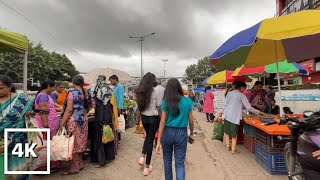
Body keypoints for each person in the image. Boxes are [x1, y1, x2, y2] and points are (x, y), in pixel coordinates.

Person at [156, 78, 194, 180]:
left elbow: (162, 122)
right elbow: (191, 121)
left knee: (167, 161)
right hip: (181, 133)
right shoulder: (187, 101)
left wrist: (159, 140)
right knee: (180, 163)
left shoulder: (165, 102)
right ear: (179, 88)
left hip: (167, 133)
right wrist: (191, 133)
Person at [0, 75, 33, 180]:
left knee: (18, 172)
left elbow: (30, 120)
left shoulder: (23, 100)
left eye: (1, 88)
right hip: (0, 145)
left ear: (10, 87)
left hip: (18, 142)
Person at [60, 75, 90, 175]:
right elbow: (89, 106)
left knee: (73, 143)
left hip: (74, 121)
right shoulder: (86, 92)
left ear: (73, 83)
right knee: (80, 142)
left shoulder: (72, 93)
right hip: (83, 119)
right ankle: (80, 164)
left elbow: (69, 110)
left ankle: (74, 168)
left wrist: (62, 123)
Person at [223, 81, 264, 154]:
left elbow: (225, 104)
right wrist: (258, 112)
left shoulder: (229, 93)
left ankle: (227, 147)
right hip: (234, 117)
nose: (244, 90)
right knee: (234, 135)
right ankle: (233, 150)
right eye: (244, 88)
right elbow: (249, 107)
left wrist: (223, 115)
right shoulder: (241, 95)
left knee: (227, 132)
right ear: (241, 87)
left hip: (227, 116)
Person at [135, 72, 162, 176]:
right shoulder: (155, 92)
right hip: (153, 119)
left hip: (144, 118)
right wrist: (161, 120)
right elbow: (159, 107)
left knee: (147, 138)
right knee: (150, 140)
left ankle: (142, 156)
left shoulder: (140, 92)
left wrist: (137, 122)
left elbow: (139, 109)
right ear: (152, 81)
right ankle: (147, 166)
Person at [91, 75, 119, 167]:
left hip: (101, 115)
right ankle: (109, 157)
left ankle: (101, 160)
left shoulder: (98, 89)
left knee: (100, 136)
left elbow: (95, 101)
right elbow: (112, 104)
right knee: (107, 135)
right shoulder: (109, 89)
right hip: (108, 115)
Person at [34, 79, 61, 172]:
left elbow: (51, 106)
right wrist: (46, 125)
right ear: (49, 86)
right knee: (46, 144)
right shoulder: (42, 96)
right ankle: (46, 165)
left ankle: (51, 165)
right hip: (46, 124)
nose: (53, 90)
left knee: (49, 143)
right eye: (53, 87)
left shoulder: (45, 95)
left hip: (51, 124)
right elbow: (43, 111)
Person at [109, 75, 124, 144]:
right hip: (115, 107)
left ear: (115, 79)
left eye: (111, 80)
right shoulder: (116, 87)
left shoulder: (120, 87)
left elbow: (121, 98)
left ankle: (118, 139)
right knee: (116, 122)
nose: (111, 82)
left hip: (117, 107)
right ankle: (117, 138)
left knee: (117, 122)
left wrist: (119, 108)